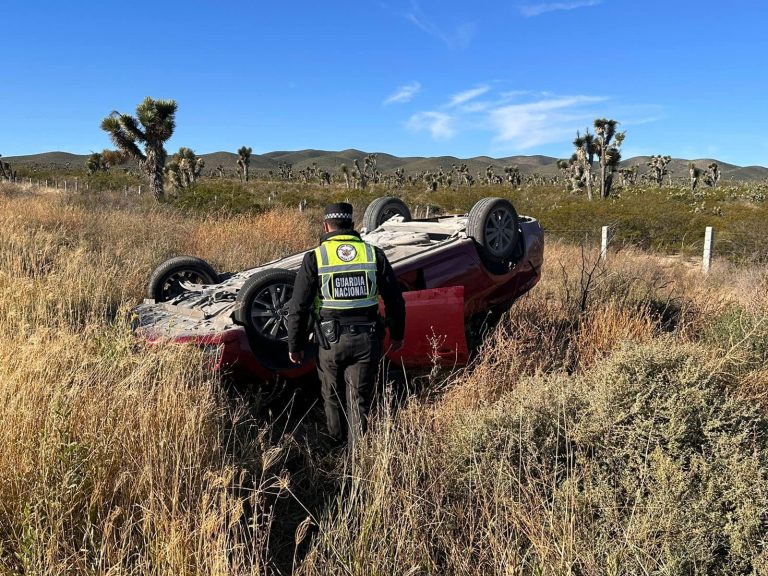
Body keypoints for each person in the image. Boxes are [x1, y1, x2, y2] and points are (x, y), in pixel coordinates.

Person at [286, 202, 405, 449]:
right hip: (367, 339)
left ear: (326, 226)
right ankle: (357, 456)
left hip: (330, 342)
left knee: (331, 396)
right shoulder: (373, 254)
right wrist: (397, 334)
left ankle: (337, 448)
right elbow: (395, 299)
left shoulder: (315, 257)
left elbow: (298, 306)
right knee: (358, 399)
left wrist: (295, 345)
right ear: (352, 225)